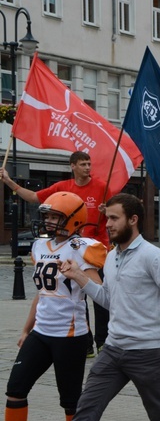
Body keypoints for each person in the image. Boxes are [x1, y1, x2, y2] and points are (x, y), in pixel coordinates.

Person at [35, 193, 160, 421]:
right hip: (114, 350)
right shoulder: (113, 257)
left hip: (146, 352)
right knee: (86, 408)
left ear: (133, 219)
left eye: (115, 218)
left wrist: (155, 320)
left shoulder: (152, 256)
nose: (109, 224)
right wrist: (79, 276)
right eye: (108, 218)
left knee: (159, 414)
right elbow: (108, 300)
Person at [0, 193, 106, 421]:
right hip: (41, 333)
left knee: (70, 402)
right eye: (46, 215)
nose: (47, 220)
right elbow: (42, 294)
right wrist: (26, 328)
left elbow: (100, 293)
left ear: (74, 220)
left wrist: (78, 275)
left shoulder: (83, 248)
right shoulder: (38, 246)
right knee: (15, 390)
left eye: (55, 216)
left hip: (70, 336)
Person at [1, 151, 114, 355]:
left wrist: (109, 211)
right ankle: (85, 341)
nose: (88, 167)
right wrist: (9, 182)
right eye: (83, 164)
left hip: (96, 251)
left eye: (89, 163)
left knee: (99, 299)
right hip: (68, 250)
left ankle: (103, 342)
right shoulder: (62, 188)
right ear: (72, 166)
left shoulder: (101, 187)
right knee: (77, 298)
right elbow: (34, 197)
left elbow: (120, 209)